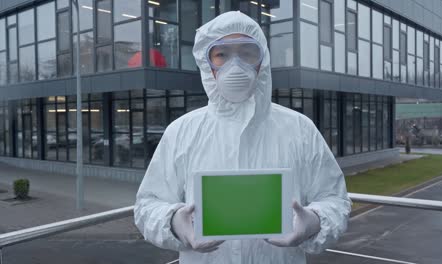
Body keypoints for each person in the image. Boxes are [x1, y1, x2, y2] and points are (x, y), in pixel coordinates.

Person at [134, 11, 351, 264]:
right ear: (208, 63)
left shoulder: (300, 129)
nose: (235, 65)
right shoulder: (181, 132)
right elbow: (148, 205)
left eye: (247, 53)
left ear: (262, 61)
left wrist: (313, 222)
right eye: (222, 54)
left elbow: (335, 200)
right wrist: (174, 223)